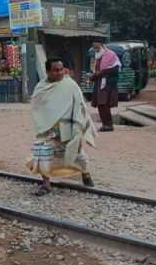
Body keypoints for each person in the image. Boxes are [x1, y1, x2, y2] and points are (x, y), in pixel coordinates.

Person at [29, 58, 97, 196]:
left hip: (69, 126)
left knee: (76, 152)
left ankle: (85, 173)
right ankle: (46, 183)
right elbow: (37, 108)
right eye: (56, 70)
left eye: (61, 69)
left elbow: (80, 105)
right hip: (48, 128)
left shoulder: (70, 85)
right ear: (47, 71)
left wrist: (79, 125)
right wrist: (46, 124)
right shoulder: (41, 88)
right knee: (43, 153)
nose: (60, 73)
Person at [90, 40, 121, 132]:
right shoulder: (97, 56)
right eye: (94, 47)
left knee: (104, 104)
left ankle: (109, 125)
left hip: (108, 84)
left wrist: (102, 72)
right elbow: (96, 71)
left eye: (97, 47)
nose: (95, 49)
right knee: (100, 105)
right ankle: (105, 124)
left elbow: (115, 69)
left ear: (101, 45)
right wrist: (93, 76)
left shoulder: (111, 55)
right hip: (99, 83)